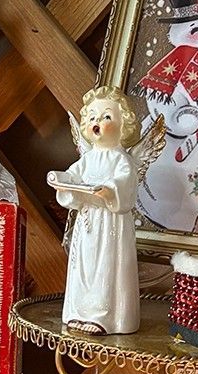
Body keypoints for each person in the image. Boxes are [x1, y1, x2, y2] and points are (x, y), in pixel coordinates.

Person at [48, 86, 143, 337]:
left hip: (111, 223)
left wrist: (109, 191)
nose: (96, 122)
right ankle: (80, 311)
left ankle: (104, 316)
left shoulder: (121, 160)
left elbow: (125, 184)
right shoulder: (88, 159)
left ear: (124, 125)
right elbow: (73, 176)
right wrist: (61, 180)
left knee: (105, 267)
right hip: (87, 222)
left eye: (106, 116)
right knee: (84, 266)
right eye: (92, 117)